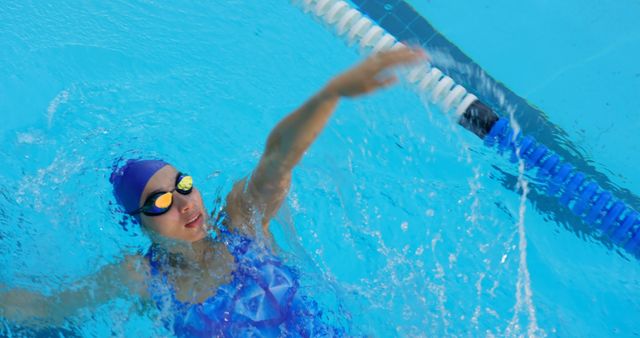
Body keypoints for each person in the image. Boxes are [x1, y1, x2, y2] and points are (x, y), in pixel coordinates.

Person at [0, 47, 427, 336]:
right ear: (139, 223)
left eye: (183, 185)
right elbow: (45, 307)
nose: (185, 203)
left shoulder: (243, 221)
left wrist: (330, 95)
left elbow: (278, 158)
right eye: (161, 200)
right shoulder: (141, 277)